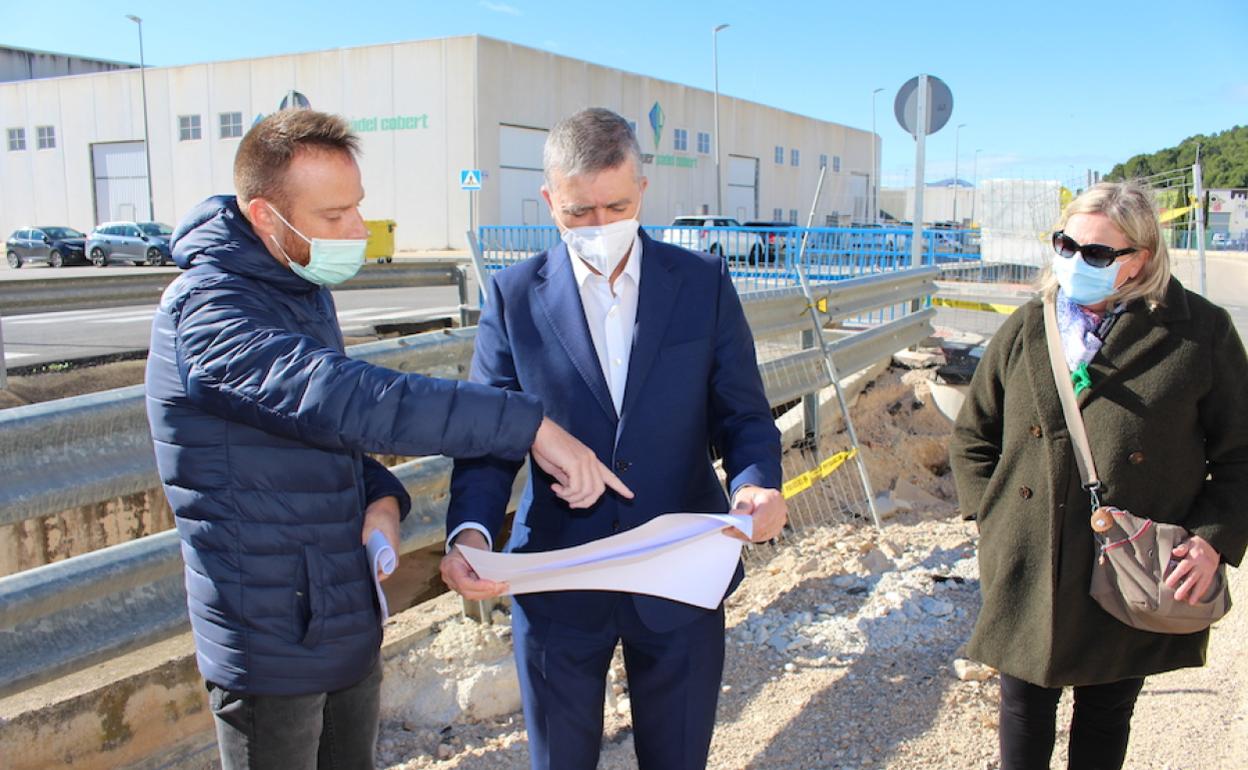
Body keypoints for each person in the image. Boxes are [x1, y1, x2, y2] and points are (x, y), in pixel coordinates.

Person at [144, 108, 630, 770]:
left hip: (340, 606)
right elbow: (336, 396)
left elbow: (309, 433)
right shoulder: (208, 314)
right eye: (334, 215)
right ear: (265, 218)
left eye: (358, 208)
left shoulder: (297, 288)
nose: (357, 231)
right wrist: (528, 423)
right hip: (268, 634)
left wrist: (381, 494)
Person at [440, 107, 787, 770]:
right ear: (549, 200)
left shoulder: (702, 285)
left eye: (616, 206)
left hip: (681, 573)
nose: (599, 226)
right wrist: (472, 534)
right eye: (578, 213)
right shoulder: (513, 298)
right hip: (558, 583)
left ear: (643, 191)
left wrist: (756, 485)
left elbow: (742, 414)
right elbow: (488, 436)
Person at [950, 181, 1248, 770]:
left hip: (1130, 559)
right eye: (1066, 244)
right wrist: (996, 517)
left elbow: (1241, 453)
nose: (1073, 263)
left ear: (1140, 258)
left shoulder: (1200, 332)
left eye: (1095, 254)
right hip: (1030, 555)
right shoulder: (1028, 326)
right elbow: (972, 436)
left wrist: (1212, 542)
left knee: (1108, 707)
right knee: (1023, 705)